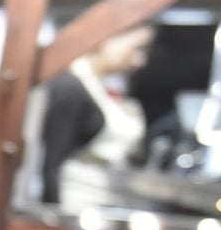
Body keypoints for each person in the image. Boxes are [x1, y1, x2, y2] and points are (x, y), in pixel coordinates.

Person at [39, 27, 154, 207]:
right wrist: (52, 211)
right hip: (74, 200)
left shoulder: (104, 87)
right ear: (106, 40)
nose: (140, 61)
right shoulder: (70, 87)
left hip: (105, 197)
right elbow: (51, 159)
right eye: (136, 48)